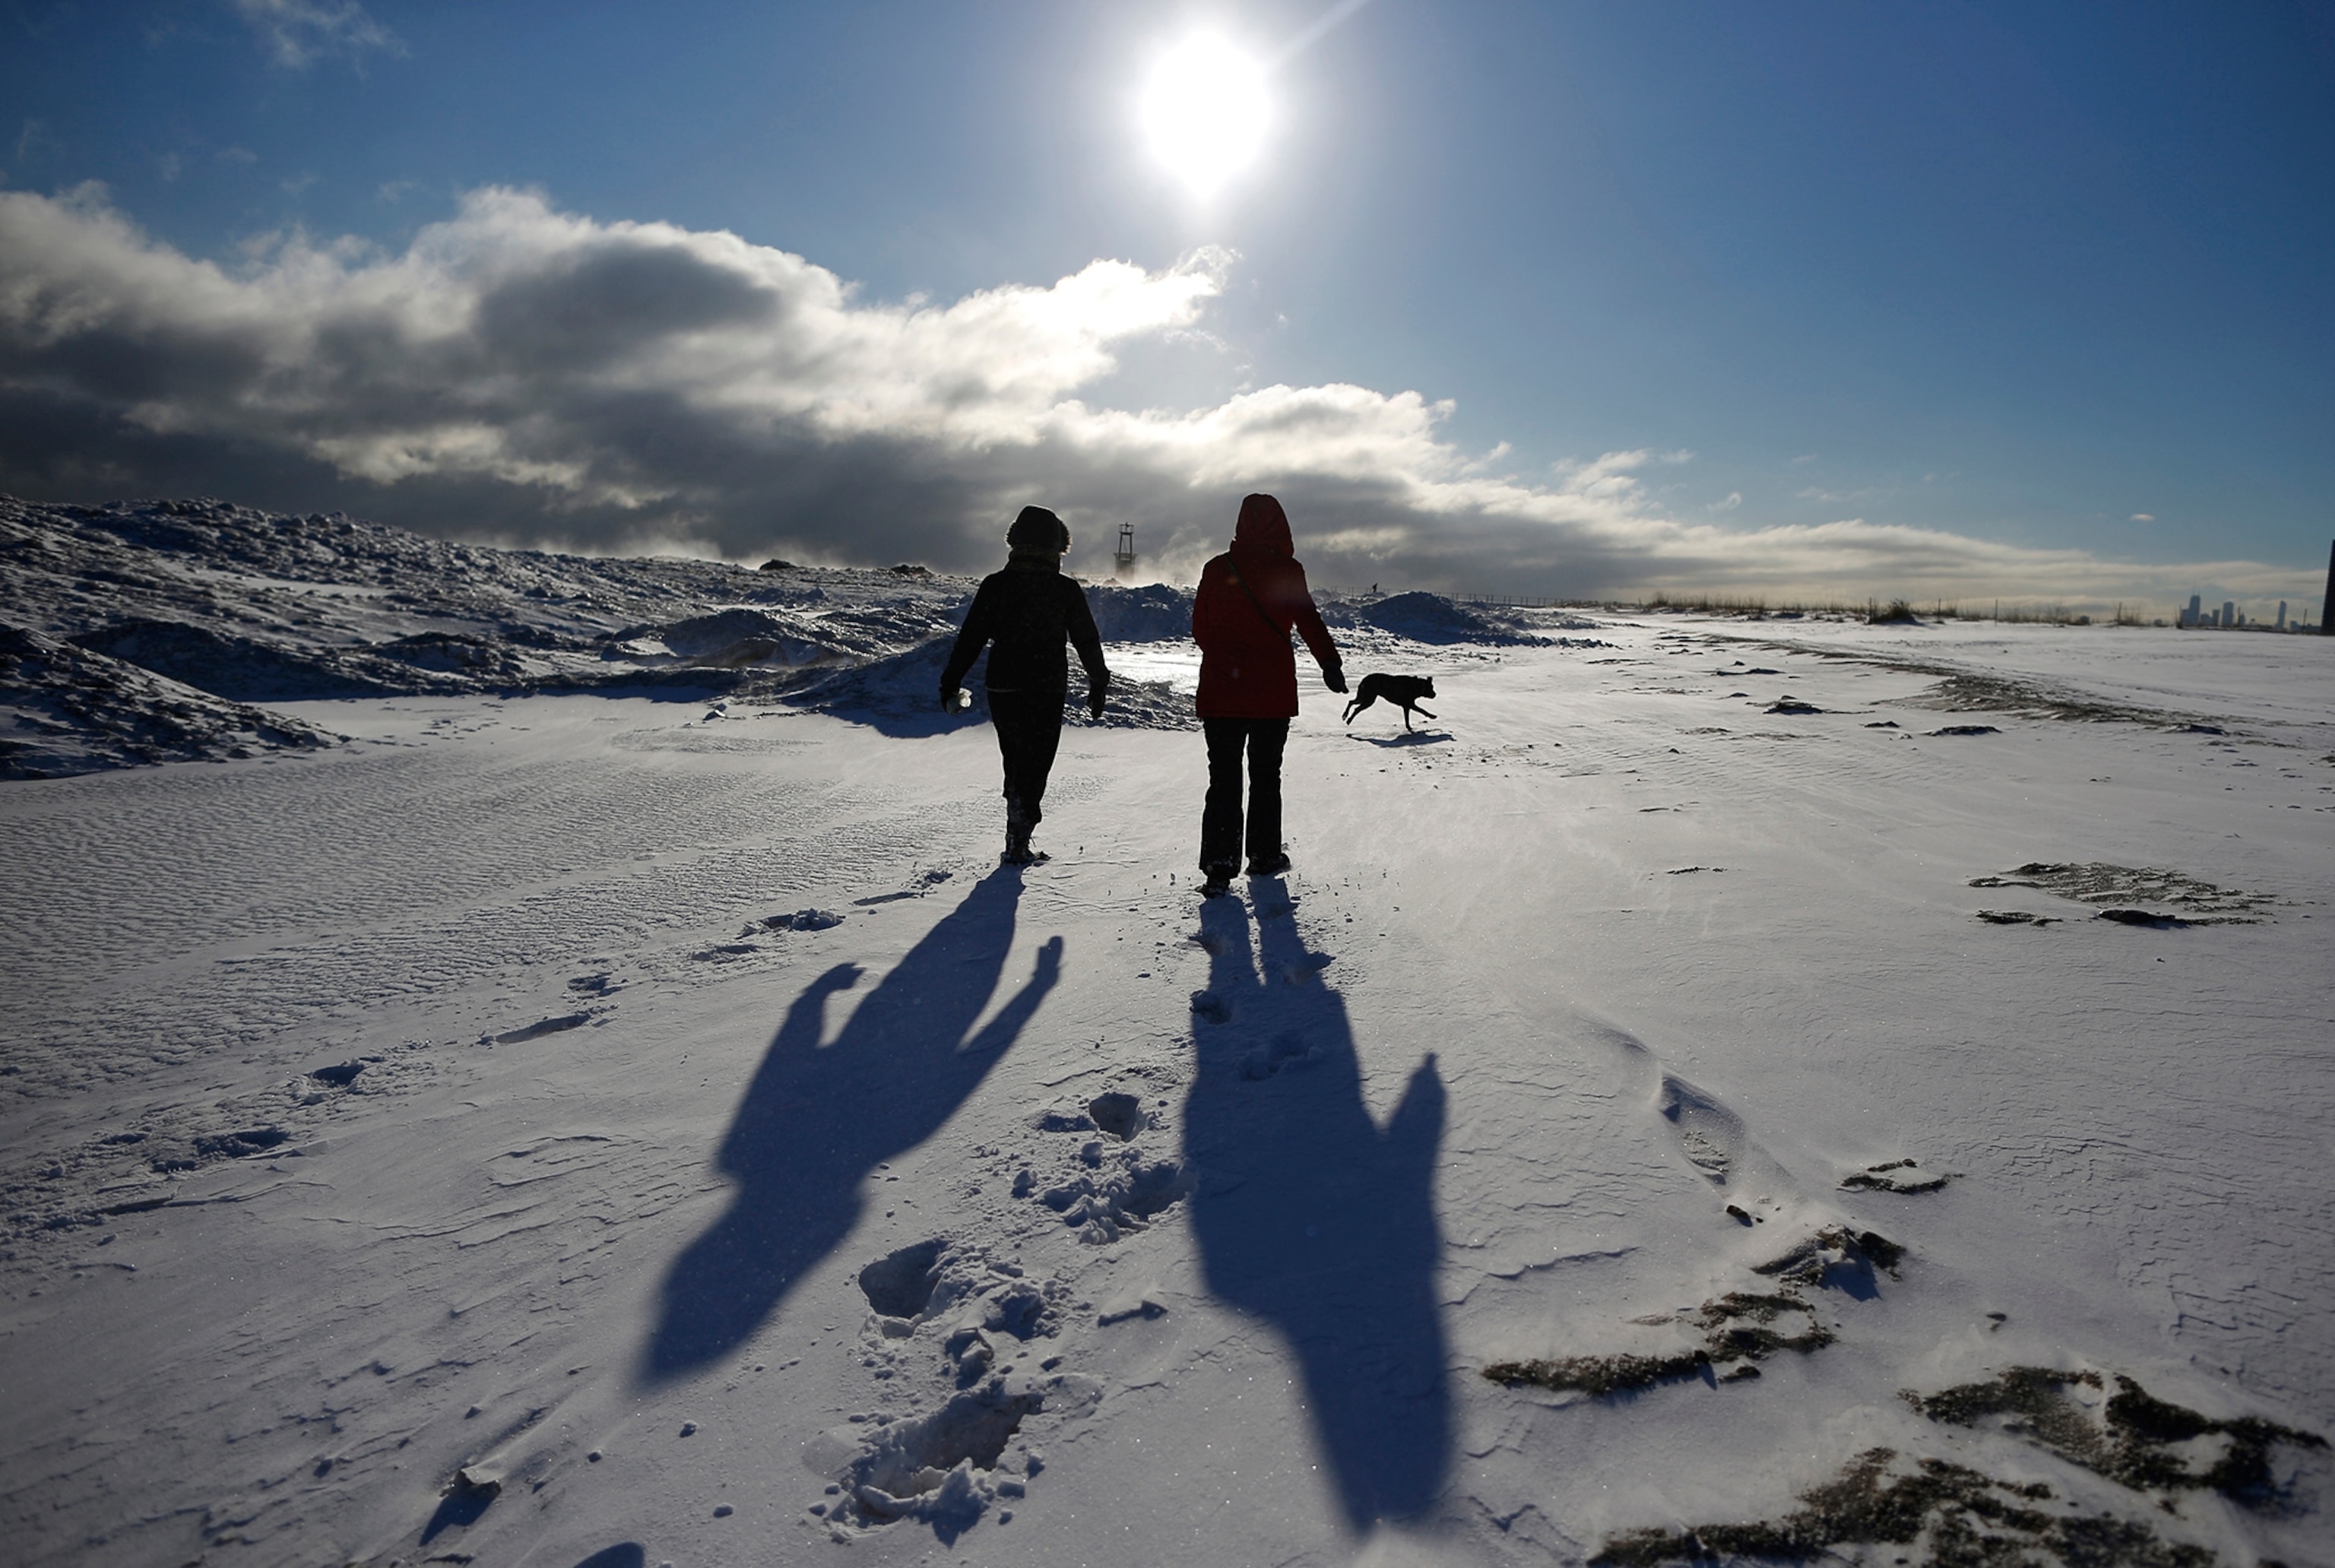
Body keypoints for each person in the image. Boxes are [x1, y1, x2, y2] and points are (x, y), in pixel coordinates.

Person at [1191, 493, 1345, 897]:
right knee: (1265, 776)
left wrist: (1228, 661)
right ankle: (1263, 857)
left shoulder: (1216, 568)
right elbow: (1308, 619)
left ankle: (1219, 868)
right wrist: (1329, 662)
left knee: (1223, 778)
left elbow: (1200, 629)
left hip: (1222, 693)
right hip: (1271, 694)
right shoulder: (1287, 569)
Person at [940, 505, 1109, 865]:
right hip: (1046, 686)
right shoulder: (1063, 589)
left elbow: (970, 639)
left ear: (1015, 539)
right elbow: (1087, 640)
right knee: (1036, 763)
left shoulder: (996, 585)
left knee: (1015, 759)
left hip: (1003, 685)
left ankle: (1016, 830)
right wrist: (1098, 680)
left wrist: (951, 681)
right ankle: (1019, 836)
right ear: (1059, 544)